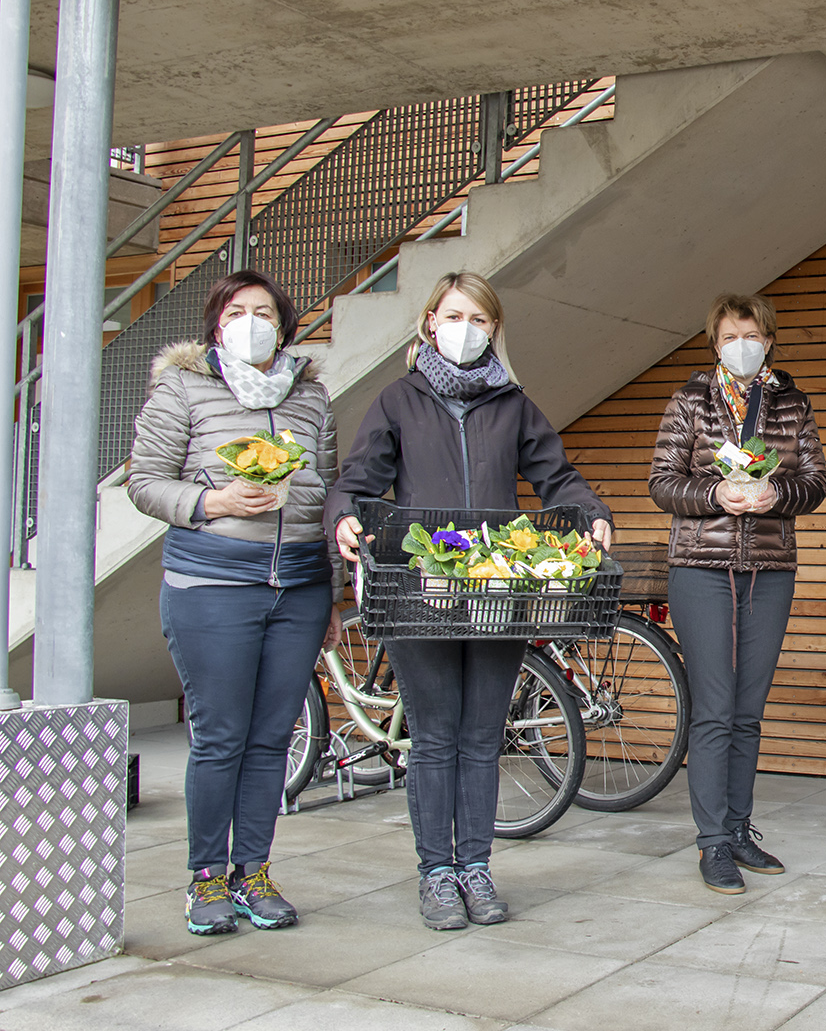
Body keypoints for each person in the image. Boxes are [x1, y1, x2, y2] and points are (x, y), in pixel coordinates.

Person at [327, 272, 613, 931]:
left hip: (497, 592)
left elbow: (557, 475)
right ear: (430, 322)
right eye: (456, 315)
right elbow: (358, 478)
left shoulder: (513, 403)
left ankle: (476, 868)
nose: (467, 328)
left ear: (493, 329)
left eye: (480, 319)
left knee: (483, 738)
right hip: (422, 593)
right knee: (434, 739)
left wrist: (589, 512)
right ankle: (436, 873)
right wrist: (344, 516)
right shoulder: (397, 400)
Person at [128, 269, 344, 936]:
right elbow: (144, 481)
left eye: (266, 312)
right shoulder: (184, 387)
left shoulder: (310, 397)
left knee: (271, 737)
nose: (252, 321)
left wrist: (333, 593)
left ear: (283, 326)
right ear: (217, 323)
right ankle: (205, 877)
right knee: (220, 737)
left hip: (300, 586)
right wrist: (212, 501)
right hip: (212, 584)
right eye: (237, 310)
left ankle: (254, 868)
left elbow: (327, 495)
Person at [649, 292, 826, 895]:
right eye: (729, 335)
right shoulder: (689, 402)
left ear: (769, 340)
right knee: (715, 709)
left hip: (770, 570)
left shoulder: (794, 404)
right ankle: (711, 844)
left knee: (748, 712)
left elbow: (815, 482)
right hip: (701, 567)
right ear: (715, 342)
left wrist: (777, 497)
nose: (741, 344)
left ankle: (739, 828)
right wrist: (713, 497)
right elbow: (662, 482)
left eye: (751, 335)